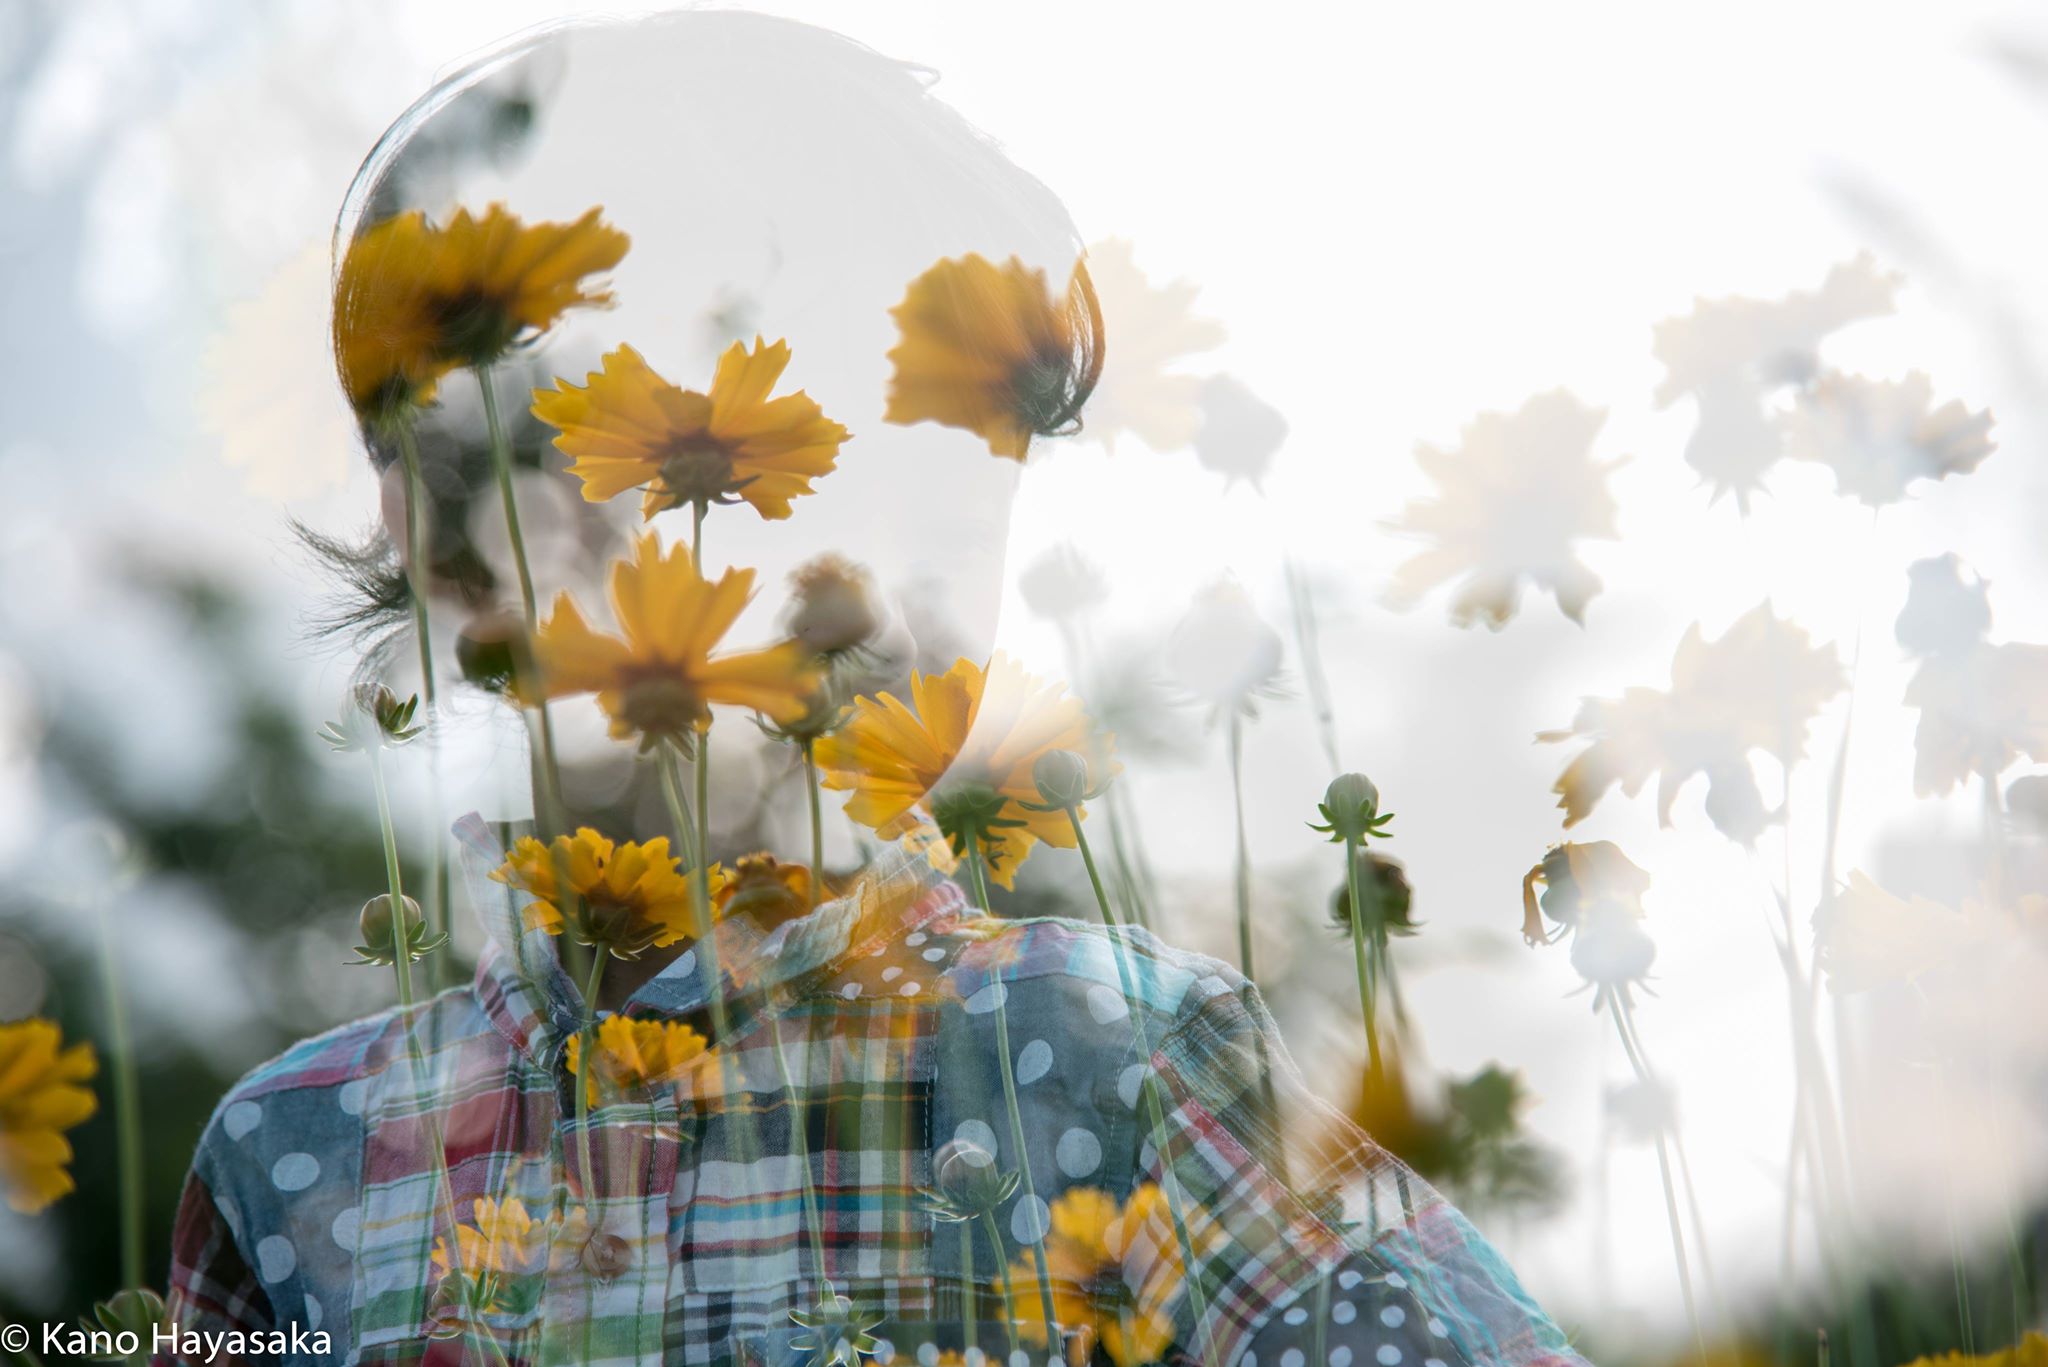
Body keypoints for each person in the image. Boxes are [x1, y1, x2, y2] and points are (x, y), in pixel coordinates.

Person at [161, 13, 1591, 1367]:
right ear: (460, 550)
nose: (889, 603)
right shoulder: (293, 1165)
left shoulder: (1116, 1068)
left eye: (956, 516)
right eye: (777, 482)